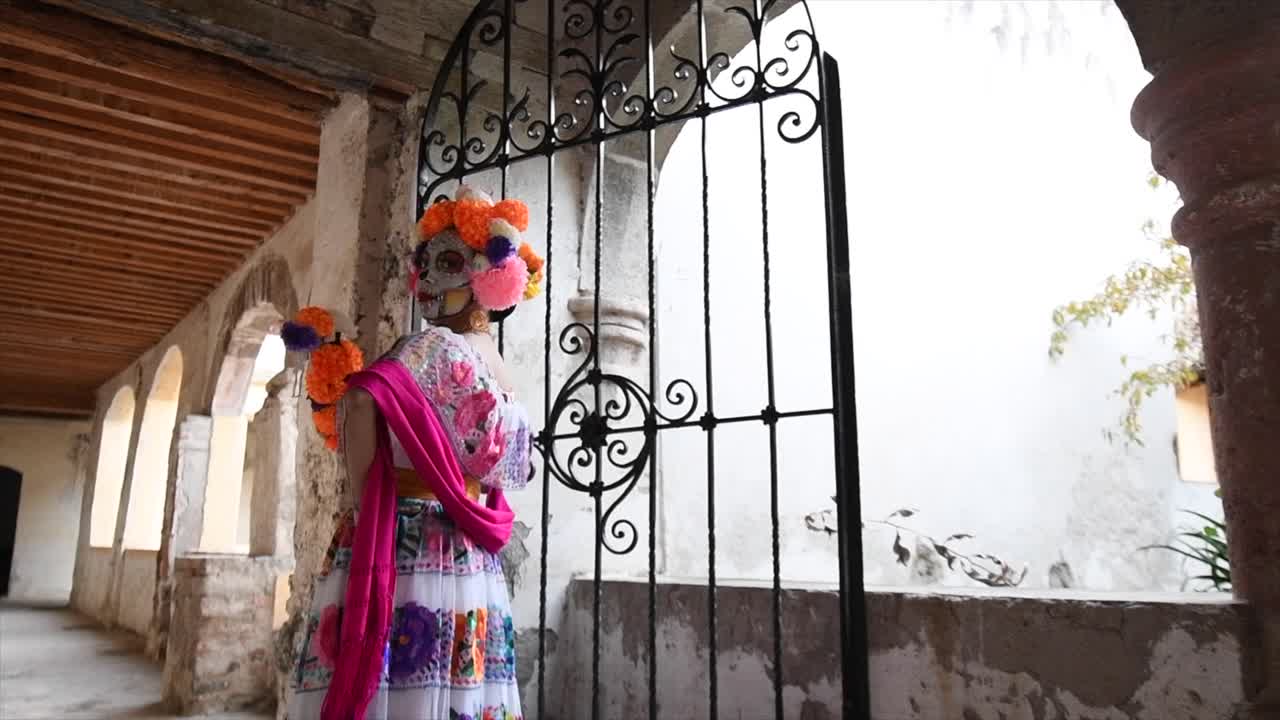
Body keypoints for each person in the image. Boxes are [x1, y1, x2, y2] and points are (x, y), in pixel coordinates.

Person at [288, 186, 543, 720]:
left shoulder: (430, 348)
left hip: (409, 538)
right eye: (422, 263)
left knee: (399, 684)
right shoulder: (502, 367)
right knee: (459, 679)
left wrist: (365, 502)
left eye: (444, 263)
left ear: (483, 275)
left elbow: (359, 403)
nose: (426, 280)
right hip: (469, 551)